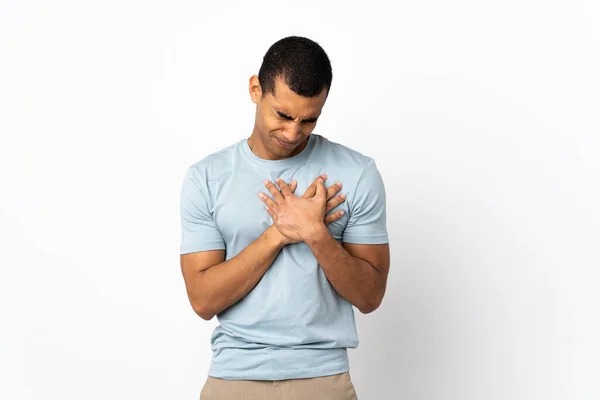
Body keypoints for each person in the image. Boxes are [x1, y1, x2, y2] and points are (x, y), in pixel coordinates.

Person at [179, 36, 390, 400]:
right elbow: (202, 301)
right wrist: (278, 234)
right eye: (283, 115)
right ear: (256, 89)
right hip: (234, 377)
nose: (293, 133)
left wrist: (316, 234)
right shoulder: (207, 178)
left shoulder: (356, 173)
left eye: (309, 120)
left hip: (323, 379)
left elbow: (370, 297)